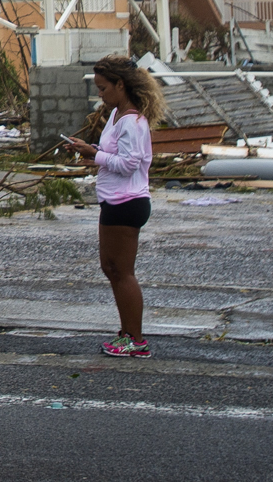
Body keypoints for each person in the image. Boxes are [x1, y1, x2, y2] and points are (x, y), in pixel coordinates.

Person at [61, 54, 164, 357]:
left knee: (123, 271)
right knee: (111, 268)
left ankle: (135, 338)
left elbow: (130, 163)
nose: (100, 95)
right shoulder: (118, 116)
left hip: (127, 201)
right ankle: (127, 331)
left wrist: (95, 156)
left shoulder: (132, 121)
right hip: (115, 200)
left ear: (121, 85)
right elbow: (113, 154)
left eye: (104, 88)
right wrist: (90, 150)